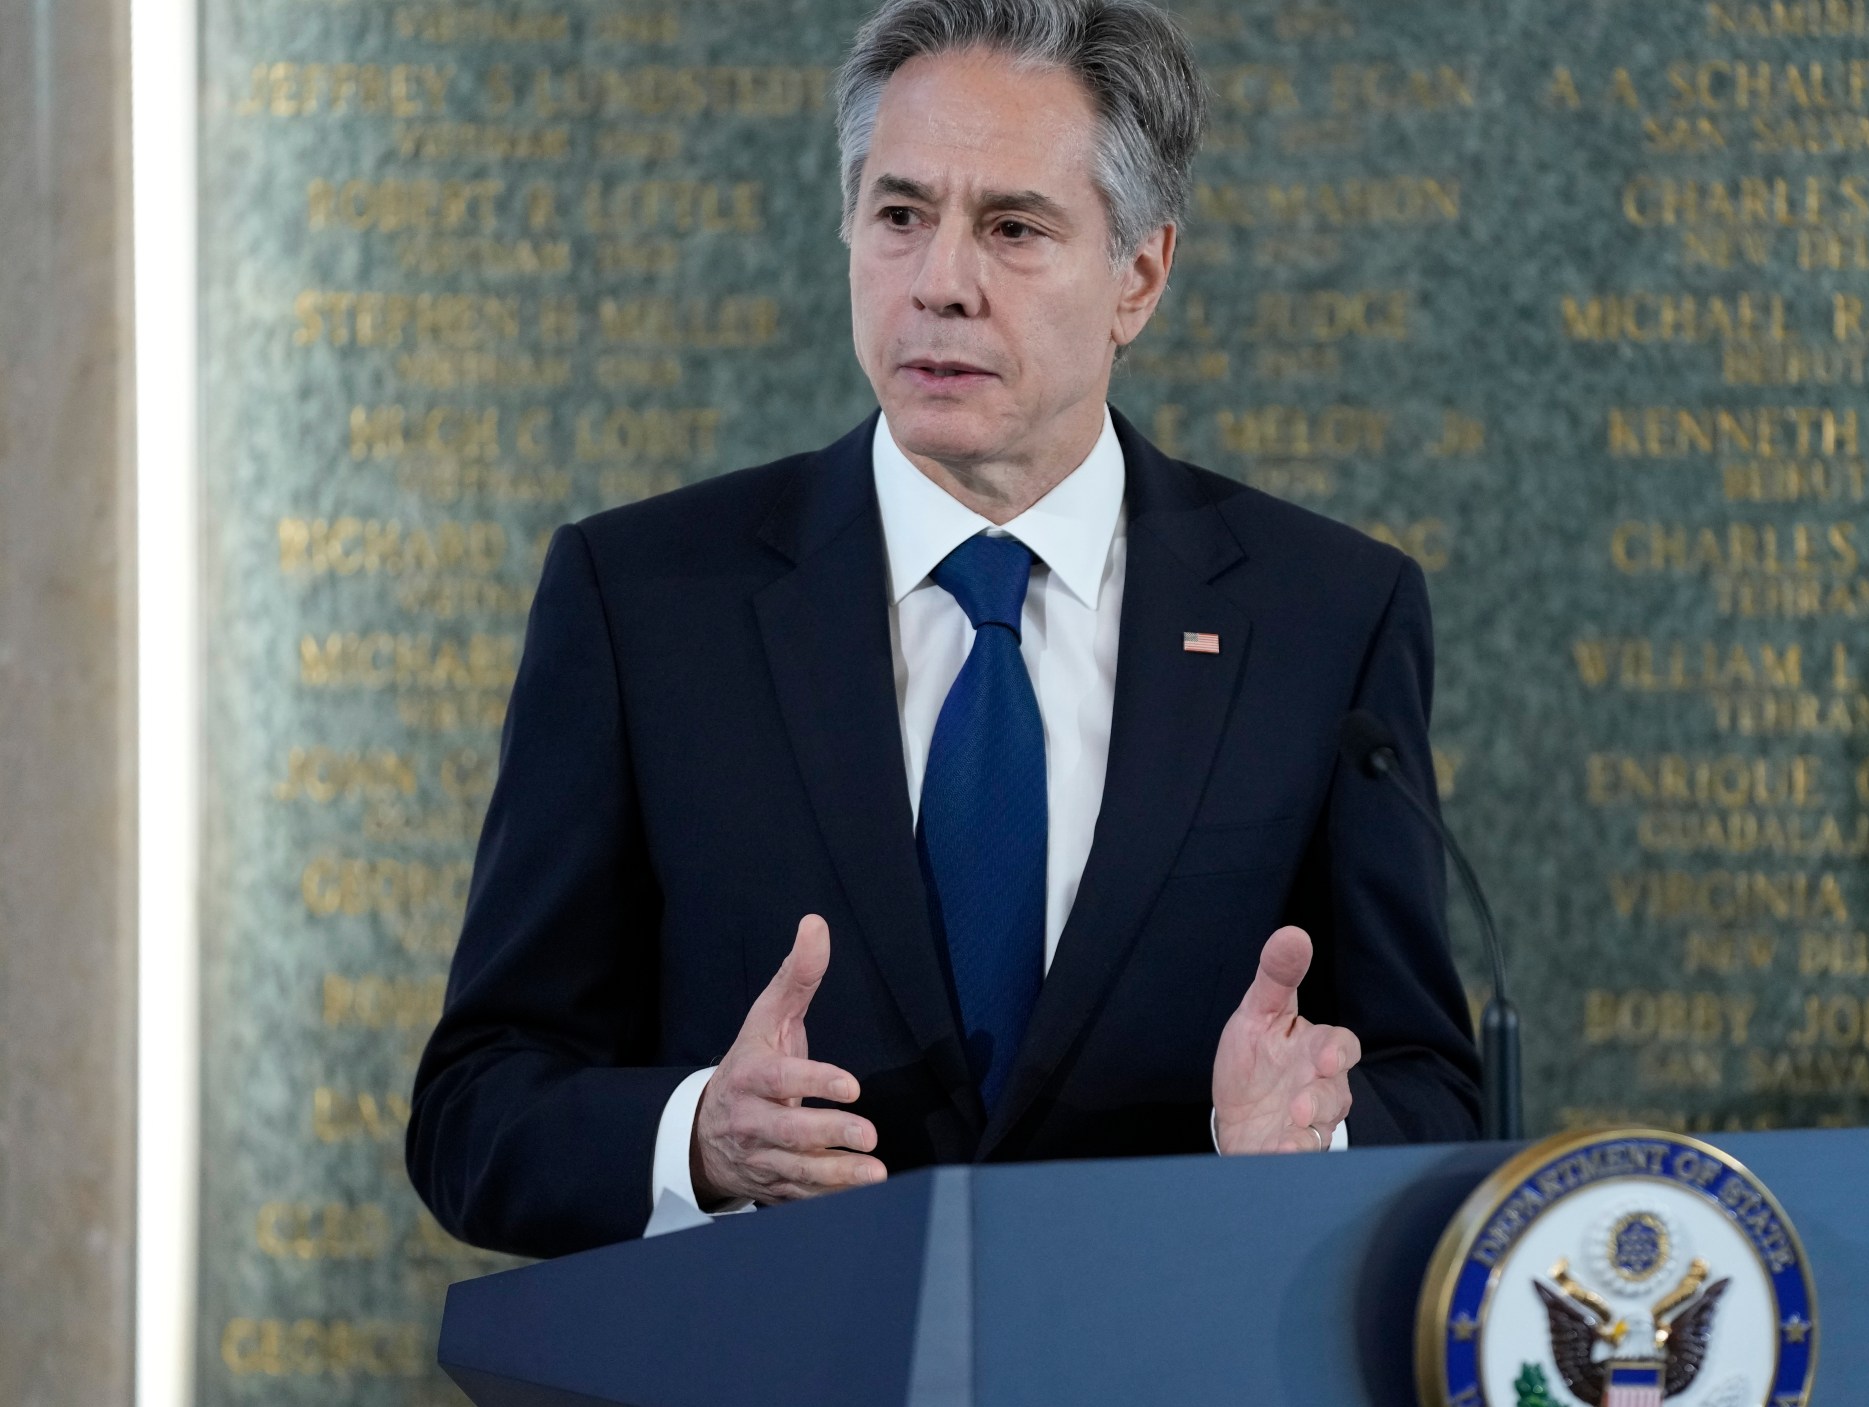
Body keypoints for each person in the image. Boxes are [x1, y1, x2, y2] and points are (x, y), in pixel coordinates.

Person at [406, 0, 1482, 1258]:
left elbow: (1434, 1089)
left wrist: (1311, 1137)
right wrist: (698, 1140)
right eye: (901, 216)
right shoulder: (643, 600)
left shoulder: (1324, 617)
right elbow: (476, 1107)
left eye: (1013, 228)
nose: (940, 284)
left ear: (1139, 275)